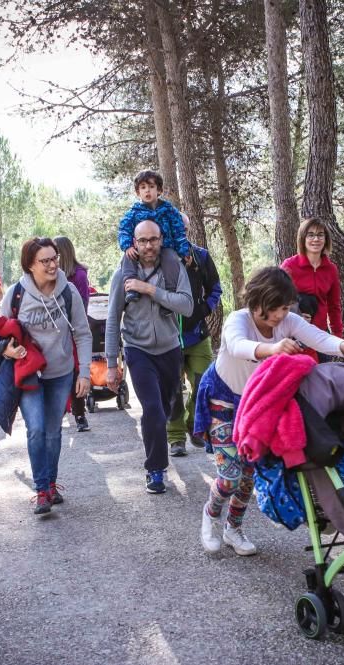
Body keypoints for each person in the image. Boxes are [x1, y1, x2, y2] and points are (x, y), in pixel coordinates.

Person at [193, 267, 344, 556]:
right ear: (261, 303)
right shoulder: (238, 319)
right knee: (229, 476)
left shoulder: (288, 321)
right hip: (223, 401)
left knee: (248, 475)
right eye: (279, 307)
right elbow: (237, 345)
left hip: (258, 407)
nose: (284, 314)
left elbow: (319, 338)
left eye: (286, 308)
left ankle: (234, 528)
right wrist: (272, 349)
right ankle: (211, 514)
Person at [0, 237, 92, 515]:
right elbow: (1, 332)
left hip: (60, 373)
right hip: (28, 374)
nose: (52, 265)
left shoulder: (69, 292)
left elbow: (83, 333)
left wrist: (84, 372)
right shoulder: (16, 293)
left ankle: (51, 484)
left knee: (53, 432)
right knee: (36, 428)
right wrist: (8, 351)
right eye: (45, 261)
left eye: (54, 259)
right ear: (30, 265)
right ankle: (41, 490)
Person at [105, 219, 194, 494]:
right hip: (138, 349)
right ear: (134, 242)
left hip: (169, 348)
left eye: (153, 240)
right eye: (142, 240)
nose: (148, 246)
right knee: (153, 409)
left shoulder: (172, 267)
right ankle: (155, 469)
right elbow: (111, 319)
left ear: (161, 239)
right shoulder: (122, 274)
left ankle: (160, 441)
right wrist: (111, 364)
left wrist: (150, 290)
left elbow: (187, 305)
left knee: (165, 408)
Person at [167, 242, 222, 457]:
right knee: (173, 389)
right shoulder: (162, 256)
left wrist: (205, 308)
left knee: (203, 385)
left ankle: (194, 425)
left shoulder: (201, 256)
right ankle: (176, 438)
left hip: (198, 335)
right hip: (169, 338)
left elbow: (215, 287)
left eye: (184, 228)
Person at [118, 169, 189, 305]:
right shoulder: (134, 212)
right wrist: (127, 245)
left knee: (172, 260)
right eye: (143, 188)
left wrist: (183, 251)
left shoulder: (169, 210)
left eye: (151, 187)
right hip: (142, 249)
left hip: (165, 246)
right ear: (138, 193)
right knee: (128, 256)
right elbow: (123, 230)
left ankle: (170, 295)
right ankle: (131, 288)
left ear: (159, 190)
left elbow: (179, 230)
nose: (147, 191)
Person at [280, 218, 344, 342]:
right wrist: (295, 315)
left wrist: (337, 338)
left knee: (325, 362)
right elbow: (277, 299)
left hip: (320, 334)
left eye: (320, 235)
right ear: (303, 238)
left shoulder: (331, 269)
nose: (316, 239)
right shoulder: (289, 266)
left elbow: (334, 306)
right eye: (311, 235)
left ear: (326, 239)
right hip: (294, 334)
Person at [53, 235, 92, 433]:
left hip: (73, 330)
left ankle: (79, 414)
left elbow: (82, 305)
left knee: (75, 371)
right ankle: (57, 413)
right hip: (54, 332)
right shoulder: (51, 276)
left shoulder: (79, 276)